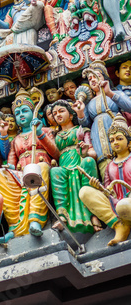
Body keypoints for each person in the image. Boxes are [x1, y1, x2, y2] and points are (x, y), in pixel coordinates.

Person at [0, 89, 59, 244]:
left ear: (34, 113)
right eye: (18, 113)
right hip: (20, 174)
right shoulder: (16, 140)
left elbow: (56, 153)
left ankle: (35, 219)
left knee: (41, 168)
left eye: (25, 111)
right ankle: (15, 227)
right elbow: (12, 162)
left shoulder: (46, 131)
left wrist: (40, 133)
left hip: (39, 169)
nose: (21, 115)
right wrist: (8, 168)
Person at [73, 61, 131, 177]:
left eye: (97, 76)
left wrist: (109, 93)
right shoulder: (89, 104)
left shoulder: (115, 93)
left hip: (115, 130)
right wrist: (80, 113)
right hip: (98, 138)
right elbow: (86, 124)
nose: (93, 80)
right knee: (105, 169)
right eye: (90, 79)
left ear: (104, 78)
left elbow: (129, 107)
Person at [80, 114, 131, 245]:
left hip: (128, 203)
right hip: (117, 206)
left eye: (119, 139)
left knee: (124, 205)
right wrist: (98, 187)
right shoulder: (110, 166)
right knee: (85, 192)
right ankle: (119, 225)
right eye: (112, 140)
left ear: (129, 141)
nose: (115, 142)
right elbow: (108, 190)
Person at [49, 100, 100, 233]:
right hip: (64, 167)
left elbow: (93, 154)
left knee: (88, 162)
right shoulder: (55, 136)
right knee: (55, 171)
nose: (58, 115)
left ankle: (93, 214)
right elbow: (53, 153)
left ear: (71, 115)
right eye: (54, 113)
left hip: (80, 163)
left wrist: (85, 152)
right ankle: (62, 216)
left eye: (61, 111)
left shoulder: (81, 130)